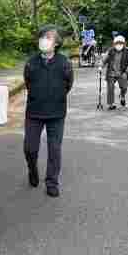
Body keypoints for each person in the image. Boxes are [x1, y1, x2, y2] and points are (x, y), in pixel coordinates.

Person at [23, 25, 74, 198]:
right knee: (30, 148)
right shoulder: (31, 62)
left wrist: (56, 96)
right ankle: (32, 170)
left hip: (56, 113)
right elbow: (28, 82)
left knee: (54, 149)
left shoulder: (64, 62)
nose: (45, 40)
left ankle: (52, 182)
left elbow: (68, 84)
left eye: (49, 37)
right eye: (43, 36)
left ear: (57, 42)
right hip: (34, 112)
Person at [101, 35, 128, 110]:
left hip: (122, 72)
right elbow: (104, 59)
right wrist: (100, 66)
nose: (119, 44)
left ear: (124, 44)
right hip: (111, 73)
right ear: (114, 44)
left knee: (124, 87)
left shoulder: (127, 51)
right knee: (110, 88)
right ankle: (111, 104)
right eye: (117, 43)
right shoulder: (110, 50)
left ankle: (122, 95)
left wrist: (126, 72)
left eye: (121, 43)